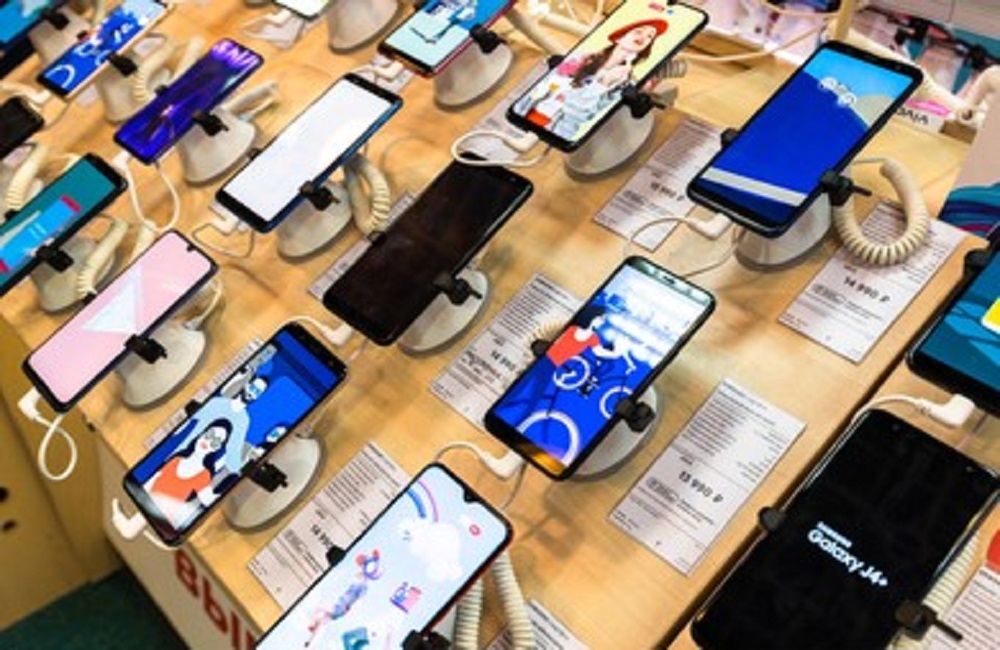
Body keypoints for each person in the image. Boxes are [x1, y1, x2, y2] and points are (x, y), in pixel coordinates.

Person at [514, 17, 668, 141]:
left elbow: (580, 114)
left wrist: (603, 84)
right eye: (639, 31)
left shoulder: (625, 84)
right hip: (524, 110)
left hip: (559, 130)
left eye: (650, 36)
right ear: (619, 37)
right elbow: (546, 87)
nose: (643, 37)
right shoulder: (581, 57)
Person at [144, 420, 232, 527]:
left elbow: (207, 499)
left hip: (161, 517)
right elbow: (154, 478)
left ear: (217, 448)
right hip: (146, 501)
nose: (208, 441)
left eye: (215, 442)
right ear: (202, 433)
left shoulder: (204, 474)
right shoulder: (177, 459)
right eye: (209, 434)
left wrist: (230, 484)